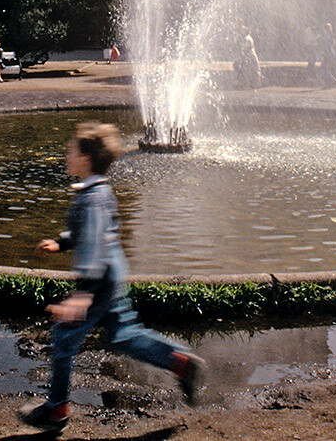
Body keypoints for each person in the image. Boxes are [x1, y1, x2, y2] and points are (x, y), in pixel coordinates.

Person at [17, 122, 205, 433]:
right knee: (124, 336)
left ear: (86, 158)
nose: (67, 155)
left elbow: (93, 243)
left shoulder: (92, 197)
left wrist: (82, 295)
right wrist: (62, 242)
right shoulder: (98, 190)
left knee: (64, 339)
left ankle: (56, 409)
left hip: (100, 279)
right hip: (112, 272)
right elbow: (91, 233)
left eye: (72, 151)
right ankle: (181, 364)